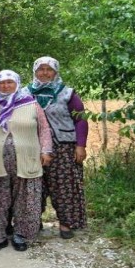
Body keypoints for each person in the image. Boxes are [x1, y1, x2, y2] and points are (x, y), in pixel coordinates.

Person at [0, 70, 53, 252]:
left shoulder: (31, 103)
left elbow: (44, 129)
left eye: (10, 82)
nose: (6, 86)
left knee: (27, 199)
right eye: (2, 83)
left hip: (28, 158)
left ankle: (22, 235)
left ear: (17, 83)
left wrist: (46, 151)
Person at [24, 56, 88, 239]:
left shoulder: (67, 93)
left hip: (64, 148)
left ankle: (66, 223)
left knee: (64, 186)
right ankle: (33, 221)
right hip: (32, 147)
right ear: (35, 72)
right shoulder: (25, 94)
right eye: (41, 69)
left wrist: (81, 145)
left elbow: (81, 119)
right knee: (34, 186)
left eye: (49, 69)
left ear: (55, 72)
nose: (45, 73)